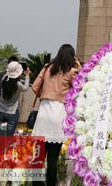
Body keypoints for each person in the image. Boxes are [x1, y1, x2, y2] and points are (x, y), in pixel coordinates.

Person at [31, 44, 81, 186]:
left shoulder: (48, 68)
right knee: (52, 160)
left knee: (38, 157)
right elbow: (82, 84)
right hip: (58, 114)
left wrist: (45, 95)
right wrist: (78, 66)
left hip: (43, 114)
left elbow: (35, 86)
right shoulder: (71, 71)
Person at [0, 61, 30, 136]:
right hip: (12, 112)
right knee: (7, 138)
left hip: (0, 110)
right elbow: (26, 88)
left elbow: (9, 76)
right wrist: (27, 75)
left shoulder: (4, 79)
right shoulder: (18, 84)